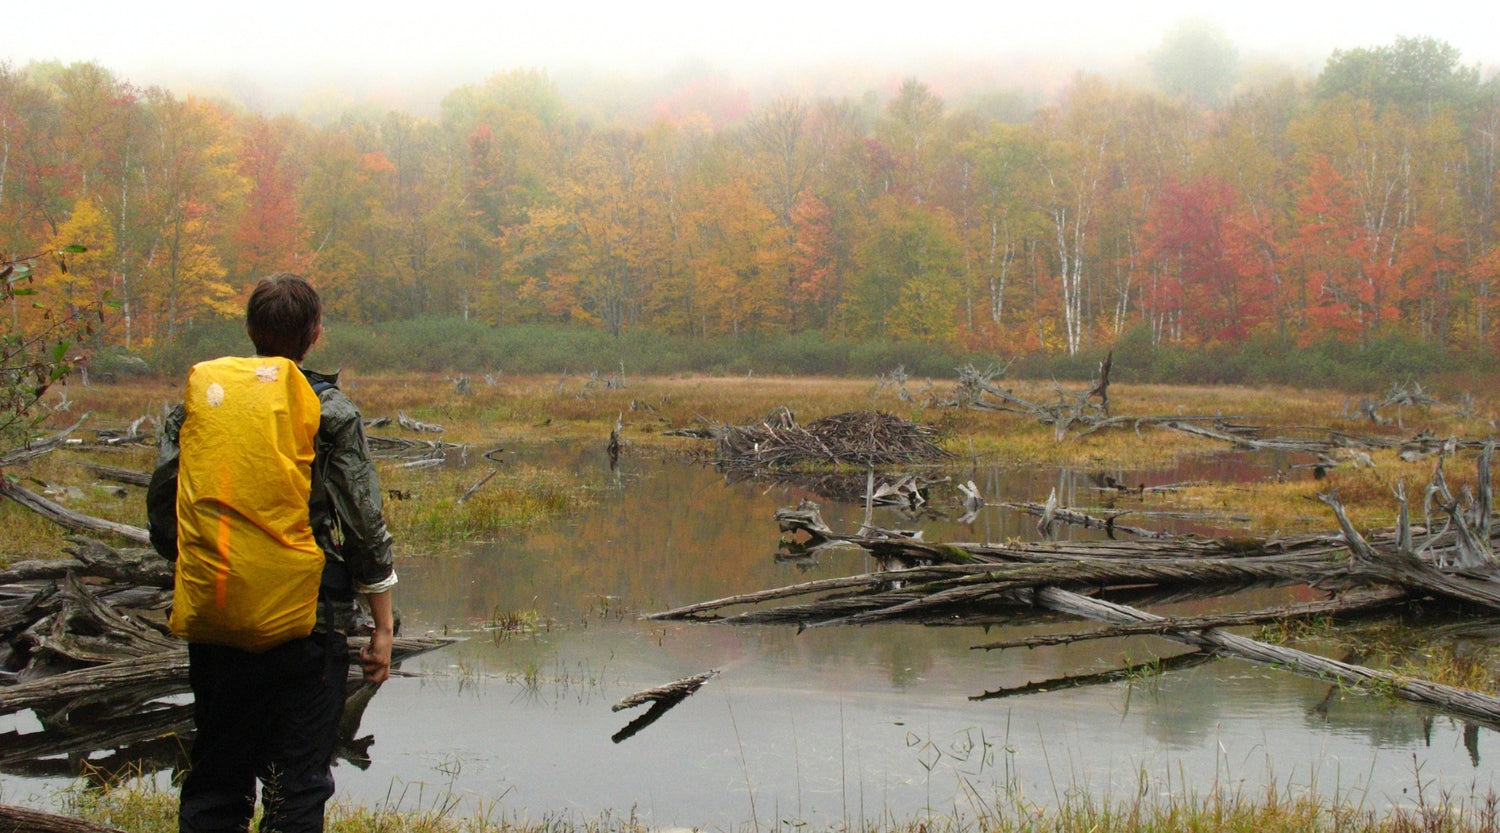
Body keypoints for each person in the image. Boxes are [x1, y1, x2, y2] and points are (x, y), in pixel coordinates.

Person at [147, 273, 397, 833]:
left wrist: (216, 565)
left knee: (216, 779)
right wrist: (381, 628)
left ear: (251, 332)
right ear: (315, 334)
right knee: (296, 786)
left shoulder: (201, 401)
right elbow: (363, 527)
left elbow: (165, 514)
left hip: (218, 611)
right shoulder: (329, 410)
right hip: (308, 624)